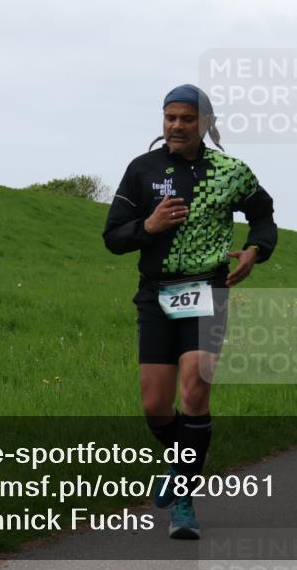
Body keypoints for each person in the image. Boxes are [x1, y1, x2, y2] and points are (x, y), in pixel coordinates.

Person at [103, 84, 278, 537]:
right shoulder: (142, 170)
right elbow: (113, 237)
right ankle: (185, 458)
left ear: (205, 123)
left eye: (186, 118)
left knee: (196, 388)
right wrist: (148, 226)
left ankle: (182, 495)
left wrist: (256, 249)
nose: (176, 126)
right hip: (155, 294)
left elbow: (263, 214)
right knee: (155, 405)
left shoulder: (229, 172)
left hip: (206, 289)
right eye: (170, 118)